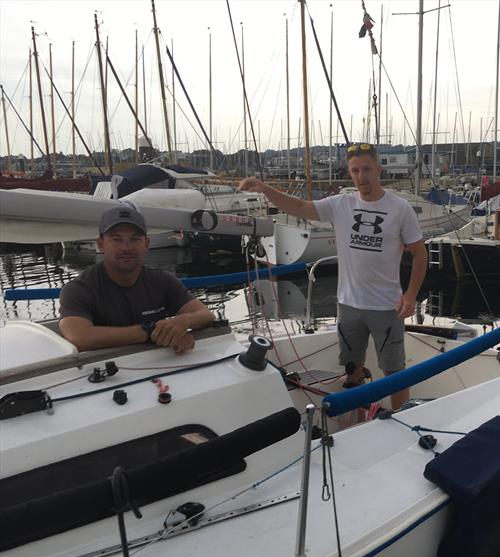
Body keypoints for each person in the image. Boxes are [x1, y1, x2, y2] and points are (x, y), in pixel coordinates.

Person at [239, 143, 427, 411]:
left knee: (395, 373)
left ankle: (402, 417)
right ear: (349, 173)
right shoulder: (341, 204)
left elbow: (420, 255)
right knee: (351, 368)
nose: (361, 177)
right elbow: (301, 207)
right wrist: (266, 190)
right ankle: (359, 416)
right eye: (355, 171)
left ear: (378, 170)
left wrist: (410, 295)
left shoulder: (400, 208)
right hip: (348, 305)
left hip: (387, 307)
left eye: (367, 169)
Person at [59, 205, 214, 353]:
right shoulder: (79, 289)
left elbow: (206, 315)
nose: (126, 248)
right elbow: (79, 337)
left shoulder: (162, 280)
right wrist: (153, 332)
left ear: (146, 244)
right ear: (101, 245)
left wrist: (182, 322)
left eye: (135, 239)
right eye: (116, 239)